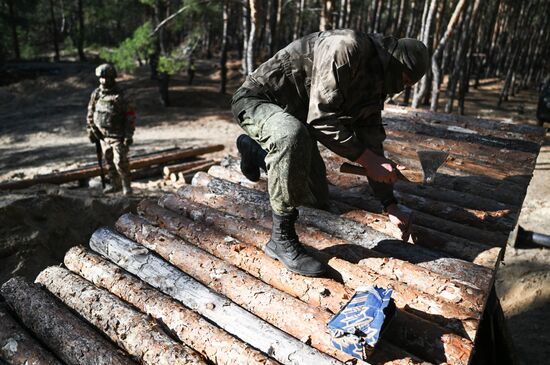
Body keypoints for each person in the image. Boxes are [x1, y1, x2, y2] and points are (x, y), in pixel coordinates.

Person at [231, 30, 429, 277]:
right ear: (394, 62)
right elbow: (321, 120)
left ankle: (256, 152)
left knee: (315, 199)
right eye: (404, 79)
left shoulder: (375, 81)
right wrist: (367, 160)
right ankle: (280, 239)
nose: (402, 87)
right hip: (259, 101)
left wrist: (389, 204)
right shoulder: (347, 47)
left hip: (297, 122)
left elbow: (372, 143)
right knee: (290, 134)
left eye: (409, 84)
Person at [87, 63, 135, 195]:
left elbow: (130, 116)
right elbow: (91, 113)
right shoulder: (96, 94)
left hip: (118, 135)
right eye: (101, 77)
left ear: (112, 78)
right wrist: (91, 131)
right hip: (102, 136)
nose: (103, 80)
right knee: (109, 162)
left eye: (106, 77)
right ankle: (115, 184)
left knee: (120, 162)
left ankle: (126, 186)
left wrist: (128, 135)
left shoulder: (121, 95)